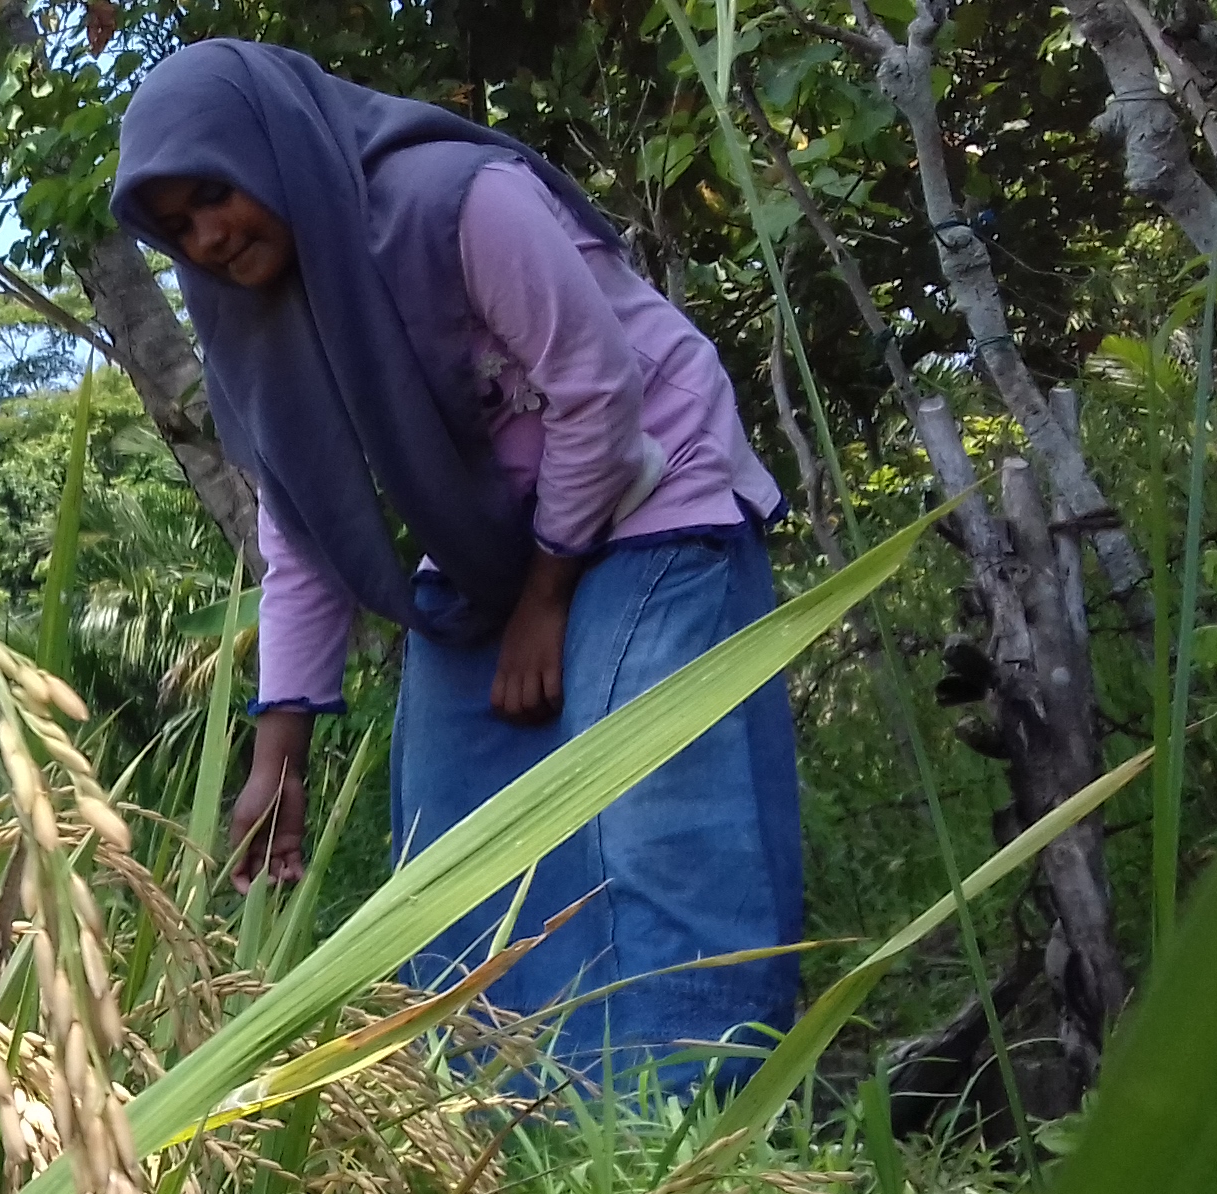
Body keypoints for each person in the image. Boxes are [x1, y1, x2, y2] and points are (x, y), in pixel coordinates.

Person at [112, 39, 803, 1092]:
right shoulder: (248, 318)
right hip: (492, 539)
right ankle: (516, 1158)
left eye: (216, 194)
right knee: (453, 851)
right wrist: (277, 754)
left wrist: (546, 595)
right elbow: (299, 528)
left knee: (652, 814)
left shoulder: (455, 199)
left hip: (655, 489)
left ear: (274, 152)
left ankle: (695, 1142)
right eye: (176, 227)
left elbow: (600, 389)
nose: (208, 236)